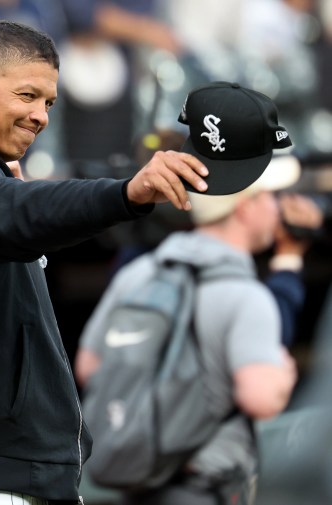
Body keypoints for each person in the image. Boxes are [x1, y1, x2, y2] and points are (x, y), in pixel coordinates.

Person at [0, 19, 213, 505]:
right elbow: (17, 212)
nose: (41, 116)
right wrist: (126, 194)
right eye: (27, 95)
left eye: (49, 103)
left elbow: (12, 211)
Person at [75, 81, 298, 505]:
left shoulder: (140, 271)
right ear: (247, 208)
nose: (279, 207)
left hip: (136, 485)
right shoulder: (246, 296)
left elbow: (89, 365)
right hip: (205, 488)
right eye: (272, 197)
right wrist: (283, 372)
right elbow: (260, 396)